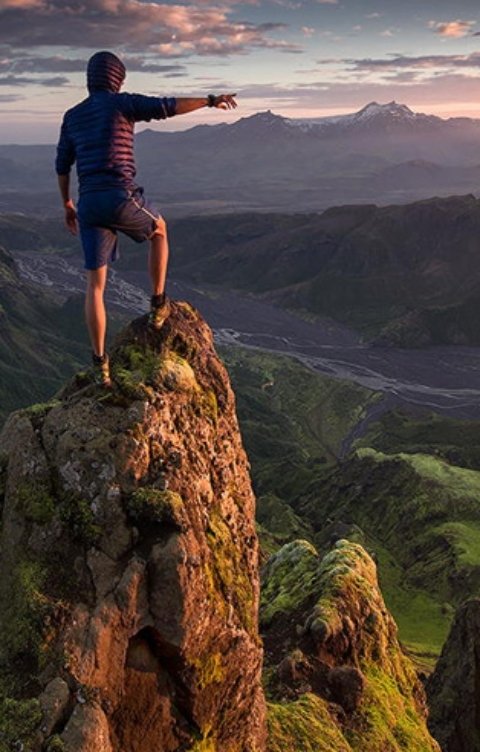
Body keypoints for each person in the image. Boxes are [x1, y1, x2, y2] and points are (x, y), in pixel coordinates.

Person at [55, 50, 237, 386]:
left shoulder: (72, 115)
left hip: (89, 203)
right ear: (116, 78)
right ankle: (158, 305)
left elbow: (62, 164)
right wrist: (211, 100)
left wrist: (68, 204)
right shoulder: (122, 103)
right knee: (160, 230)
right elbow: (168, 106)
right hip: (120, 196)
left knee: (95, 286)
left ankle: (100, 364)